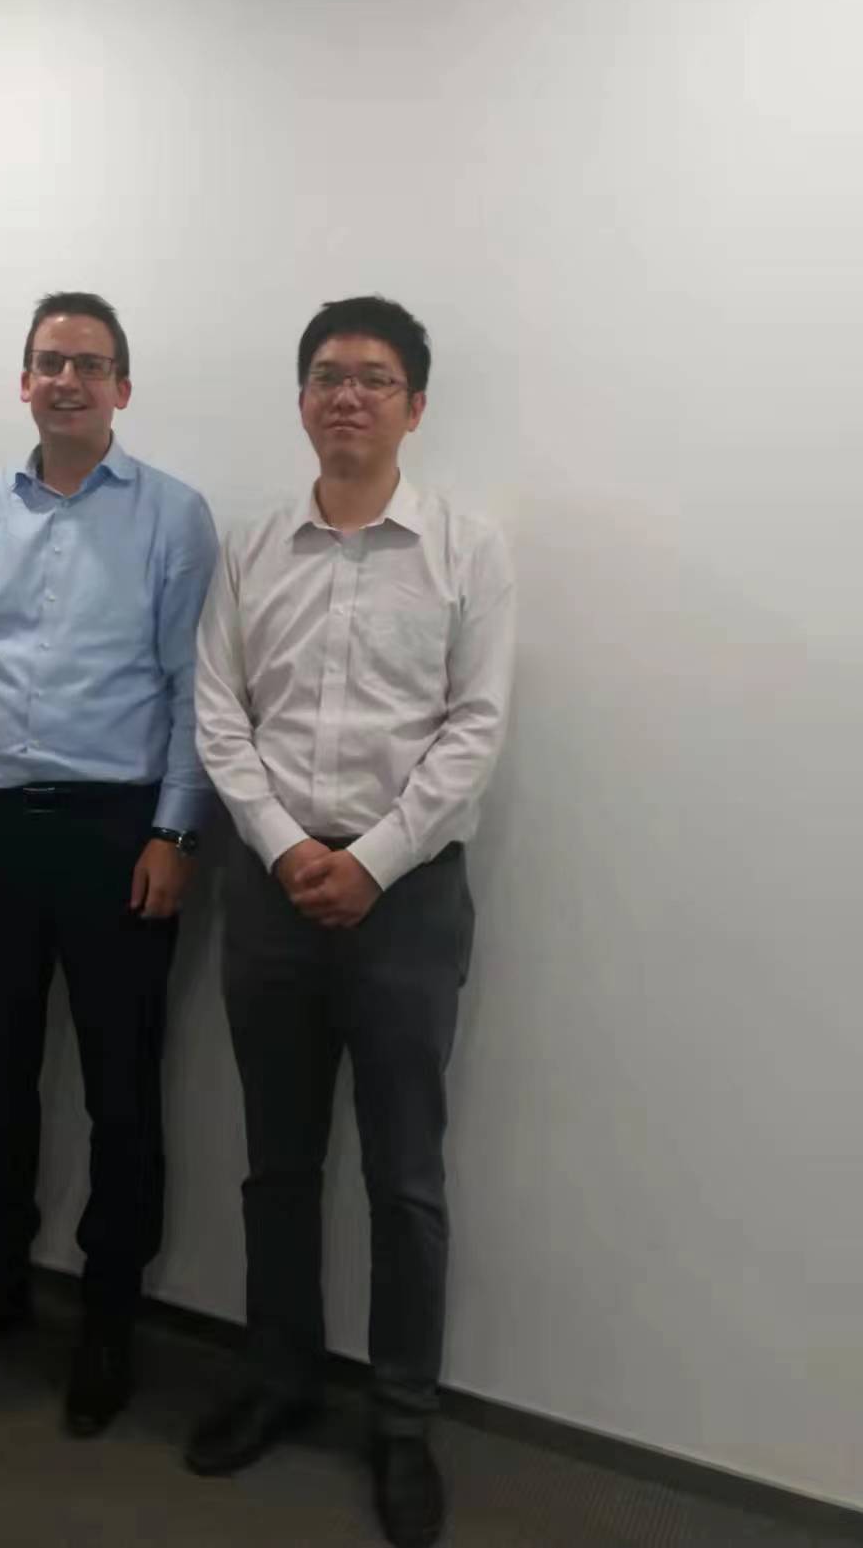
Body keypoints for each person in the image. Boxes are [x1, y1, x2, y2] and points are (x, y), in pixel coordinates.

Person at [188, 297, 515, 1548]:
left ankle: (400, 1421)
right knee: (276, 1158)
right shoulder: (252, 546)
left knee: (404, 1175)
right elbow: (219, 713)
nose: (348, 396)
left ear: (414, 406)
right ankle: (279, 1376)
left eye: (375, 379)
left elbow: (474, 730)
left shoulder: (466, 551)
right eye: (327, 375)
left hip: (407, 899)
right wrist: (284, 846)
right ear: (301, 399)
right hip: (270, 888)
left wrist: (371, 862)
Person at [0, 291, 218, 1437]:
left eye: (89, 363)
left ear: (122, 386)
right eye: (49, 362)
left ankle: (109, 1319)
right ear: (22, 382)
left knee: (124, 1090)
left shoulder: (173, 515)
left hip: (120, 835)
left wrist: (176, 832)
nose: (67, 380)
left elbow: (197, 689)